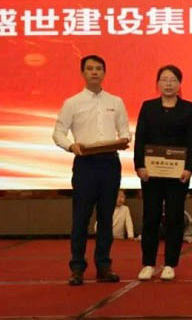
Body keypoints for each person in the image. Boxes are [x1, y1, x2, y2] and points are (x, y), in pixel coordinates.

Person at [53, 54, 130, 286]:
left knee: (106, 217)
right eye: (90, 68)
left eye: (98, 68)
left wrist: (124, 139)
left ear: (104, 73)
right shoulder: (72, 103)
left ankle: (104, 266)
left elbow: (125, 131)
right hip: (85, 163)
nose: (94, 72)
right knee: (81, 218)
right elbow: (58, 133)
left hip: (110, 163)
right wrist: (70, 146)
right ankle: (77, 267)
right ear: (83, 73)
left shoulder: (116, 102)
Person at [134, 65, 192, 281]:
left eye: (173, 80)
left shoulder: (189, 109)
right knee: (151, 217)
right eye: (164, 79)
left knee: (174, 217)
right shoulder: (148, 107)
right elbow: (140, 138)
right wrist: (139, 165)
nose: (168, 84)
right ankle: (148, 263)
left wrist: (189, 168)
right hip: (151, 173)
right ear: (158, 83)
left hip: (177, 174)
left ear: (180, 84)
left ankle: (170, 263)